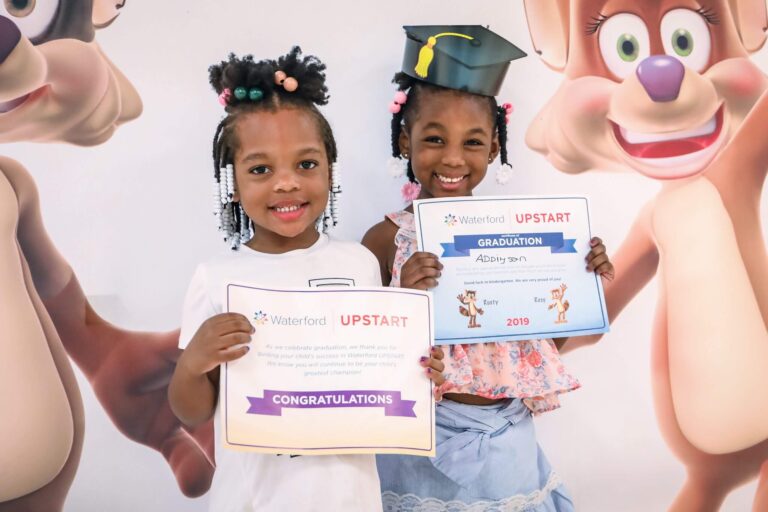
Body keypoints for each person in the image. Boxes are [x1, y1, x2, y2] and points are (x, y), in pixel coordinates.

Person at [168, 48, 444, 512]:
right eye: (260, 170)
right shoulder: (216, 277)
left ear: (330, 170)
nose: (287, 183)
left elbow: (378, 371)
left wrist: (416, 366)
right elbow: (192, 410)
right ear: (232, 184)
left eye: (306, 164)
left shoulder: (358, 263)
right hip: (253, 501)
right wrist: (194, 362)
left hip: (350, 498)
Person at [363, 26, 614, 511]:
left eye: (473, 142)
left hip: (506, 444)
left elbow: (541, 347)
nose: (453, 158)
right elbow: (365, 355)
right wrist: (406, 299)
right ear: (404, 139)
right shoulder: (386, 240)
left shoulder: (523, 237)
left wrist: (581, 281)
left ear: (495, 146)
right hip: (419, 446)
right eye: (434, 138)